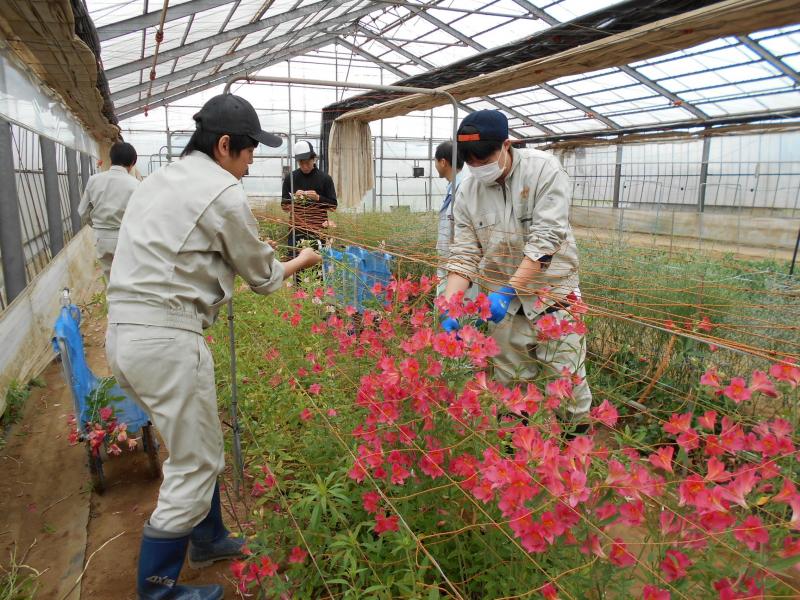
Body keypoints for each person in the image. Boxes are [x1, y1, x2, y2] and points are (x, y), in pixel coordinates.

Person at [105, 94, 322, 600]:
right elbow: (265, 277)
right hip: (166, 341)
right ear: (225, 146)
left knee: (194, 446)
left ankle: (208, 538)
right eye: (249, 153)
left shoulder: (158, 179)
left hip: (127, 333)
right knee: (197, 461)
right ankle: (158, 591)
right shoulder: (222, 191)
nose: (250, 166)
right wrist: (303, 260)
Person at [441, 109, 592, 422]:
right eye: (470, 160)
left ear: (507, 145)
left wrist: (510, 289)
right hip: (504, 310)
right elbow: (464, 255)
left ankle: (572, 454)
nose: (478, 166)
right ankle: (513, 459)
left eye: (485, 157)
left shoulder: (543, 170)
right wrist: (450, 306)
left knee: (568, 390)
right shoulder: (467, 192)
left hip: (553, 299)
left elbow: (546, 241)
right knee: (510, 391)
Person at [78, 141, 139, 282]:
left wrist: (99, 225)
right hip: (125, 237)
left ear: (111, 159)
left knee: (110, 279)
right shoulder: (135, 185)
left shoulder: (94, 180)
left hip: (102, 238)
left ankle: (112, 302)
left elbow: (83, 211)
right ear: (133, 162)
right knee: (127, 278)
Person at [281, 140, 337, 254]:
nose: (305, 166)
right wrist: (295, 199)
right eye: (301, 163)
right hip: (296, 229)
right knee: (295, 262)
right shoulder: (290, 178)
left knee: (317, 265)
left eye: (308, 162)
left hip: (318, 230)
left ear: (314, 159)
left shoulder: (325, 179)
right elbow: (284, 206)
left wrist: (318, 198)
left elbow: (333, 206)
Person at [434, 141, 465, 296]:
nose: (435, 166)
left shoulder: (463, 188)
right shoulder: (452, 186)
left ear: (443, 162)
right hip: (448, 261)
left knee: (453, 306)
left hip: (457, 264)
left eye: (435, 161)